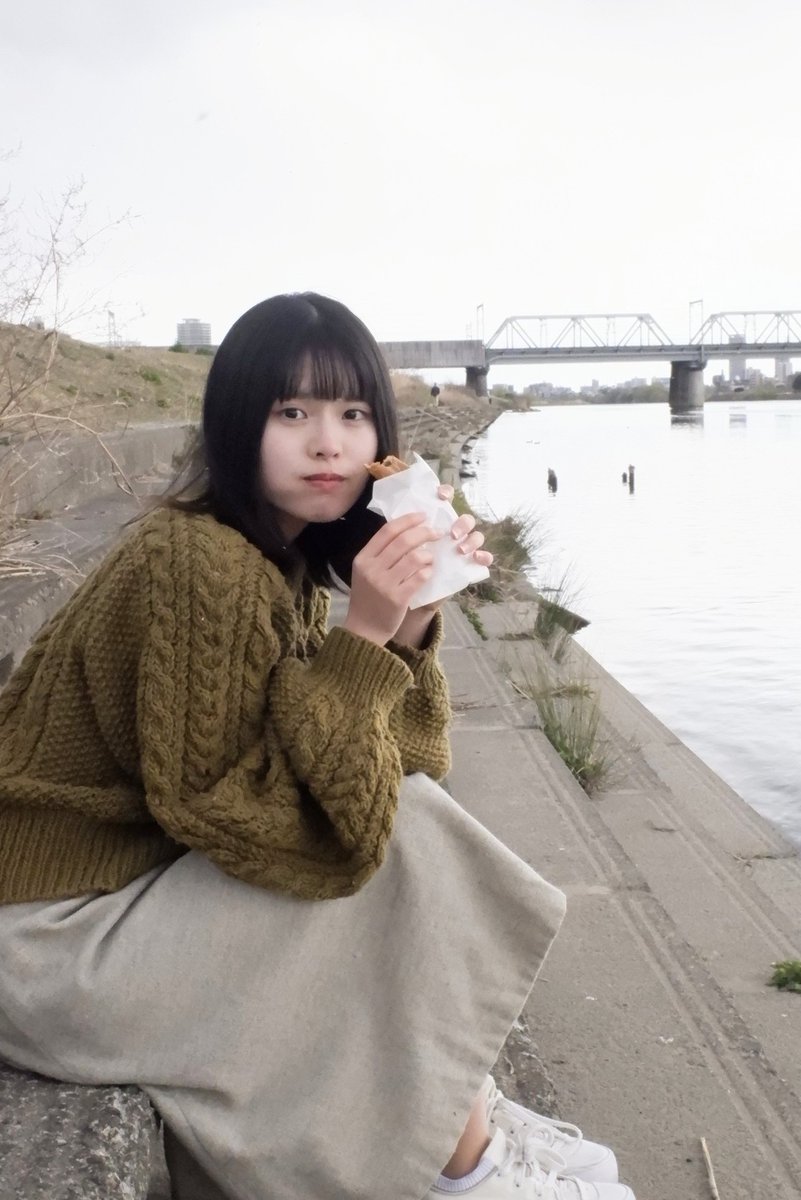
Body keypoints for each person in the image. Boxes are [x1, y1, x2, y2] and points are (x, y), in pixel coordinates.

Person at [0, 293, 634, 1200]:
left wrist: (412, 622)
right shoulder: (197, 562)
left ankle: (465, 1128)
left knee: (398, 829)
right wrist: (363, 637)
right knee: (394, 849)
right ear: (235, 424)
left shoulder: (276, 565)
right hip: (47, 941)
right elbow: (245, 817)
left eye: (350, 413)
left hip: (119, 896)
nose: (326, 443)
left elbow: (403, 764)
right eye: (289, 412)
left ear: (381, 435)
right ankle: (472, 1171)